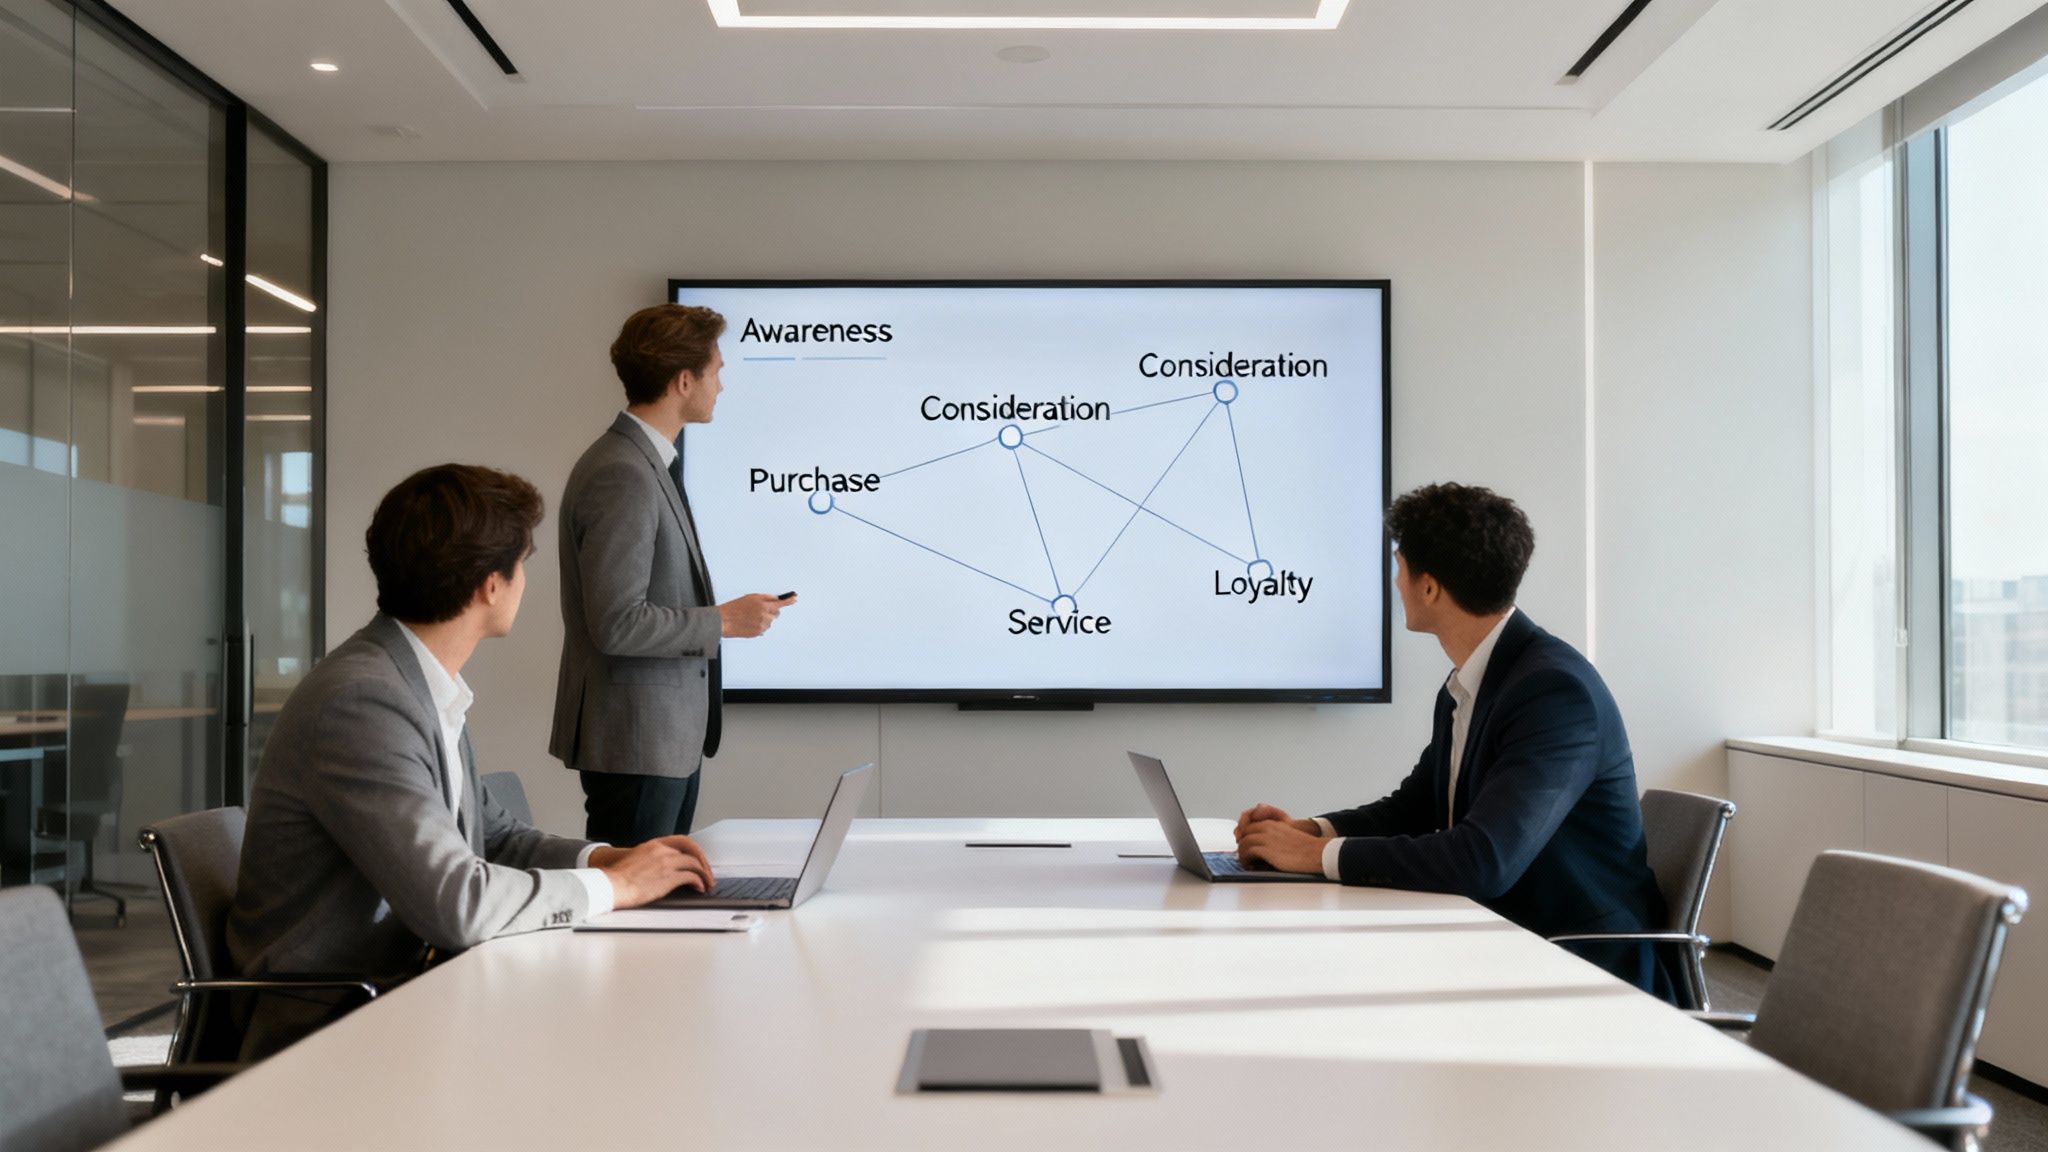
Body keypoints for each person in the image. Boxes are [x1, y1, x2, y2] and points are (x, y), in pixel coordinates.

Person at [228, 465, 715, 1058]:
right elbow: (457, 903)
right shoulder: (363, 702)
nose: (525, 581)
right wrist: (613, 887)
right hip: (331, 1028)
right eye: (524, 563)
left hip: (408, 991)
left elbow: (494, 837)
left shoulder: (415, 680)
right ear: (491, 584)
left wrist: (610, 857)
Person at [1234, 482, 1678, 1002]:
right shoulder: (1476, 683)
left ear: (1429, 588)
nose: (1393, 581)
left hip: (1579, 970)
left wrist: (1317, 856)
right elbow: (1416, 807)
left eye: (1399, 567)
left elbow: (1484, 860)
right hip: (1506, 942)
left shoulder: (1556, 693)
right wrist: (1307, 831)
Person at [551, 304, 792, 845]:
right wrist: (720, 621)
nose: (722, 386)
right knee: (637, 911)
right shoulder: (623, 472)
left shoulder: (644, 461)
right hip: (637, 740)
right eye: (717, 372)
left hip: (659, 738)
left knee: (659, 906)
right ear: (684, 381)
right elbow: (616, 622)